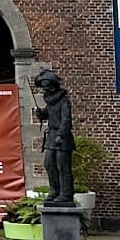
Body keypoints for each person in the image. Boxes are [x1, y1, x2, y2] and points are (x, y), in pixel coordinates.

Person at [32, 67, 75, 206]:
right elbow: (48, 113)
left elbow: (66, 119)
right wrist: (41, 114)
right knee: (49, 164)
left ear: (52, 86)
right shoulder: (51, 102)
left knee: (62, 166)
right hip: (51, 136)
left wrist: (61, 135)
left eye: (46, 86)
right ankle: (54, 191)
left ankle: (66, 194)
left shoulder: (64, 101)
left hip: (62, 138)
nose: (45, 89)